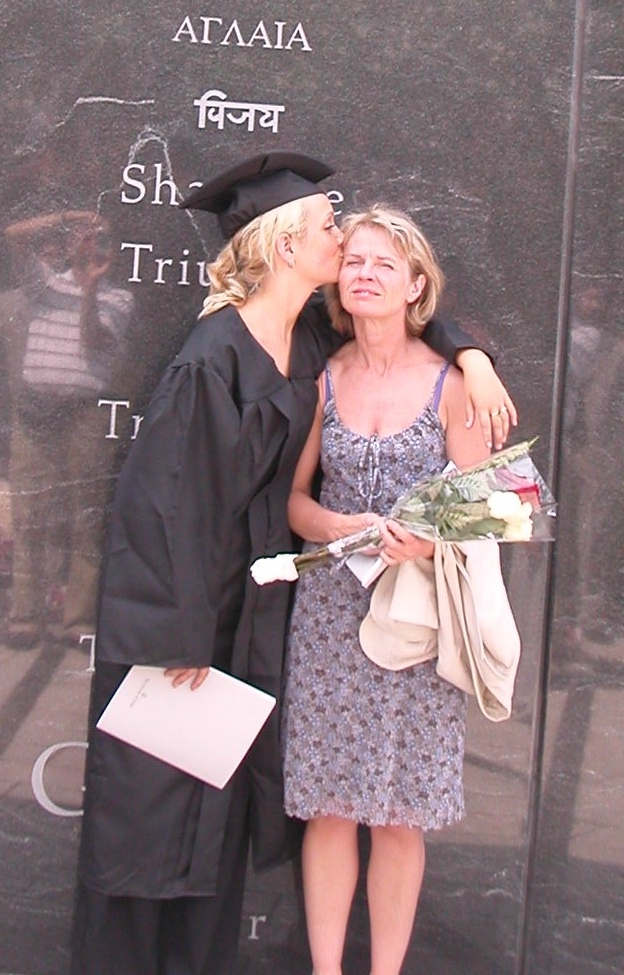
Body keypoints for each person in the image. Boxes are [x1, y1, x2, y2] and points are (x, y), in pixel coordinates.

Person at [71, 153, 514, 975]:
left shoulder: (303, 338)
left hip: (250, 632)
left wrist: (471, 355)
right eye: (327, 231)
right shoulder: (213, 358)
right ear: (285, 248)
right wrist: (182, 640)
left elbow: (411, 325)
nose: (343, 244)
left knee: (214, 830)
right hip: (187, 637)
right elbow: (158, 511)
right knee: (152, 828)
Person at [281, 207, 490, 975]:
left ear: (415, 286)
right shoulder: (323, 379)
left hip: (418, 622)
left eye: (384, 264)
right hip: (332, 618)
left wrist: (430, 539)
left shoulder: (451, 383)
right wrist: (335, 526)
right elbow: (295, 500)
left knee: (402, 814)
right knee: (330, 804)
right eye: (356, 260)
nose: (364, 273)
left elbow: (487, 506)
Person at [0, 210, 133, 645]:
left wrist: (90, 289)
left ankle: (78, 620)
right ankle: (25, 613)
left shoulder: (118, 298)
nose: (92, 250)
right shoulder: (41, 285)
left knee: (86, 518)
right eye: (86, 241)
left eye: (101, 243)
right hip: (35, 412)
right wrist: (69, 218)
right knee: (29, 517)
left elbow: (95, 341)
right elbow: (11, 235)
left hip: (85, 414)